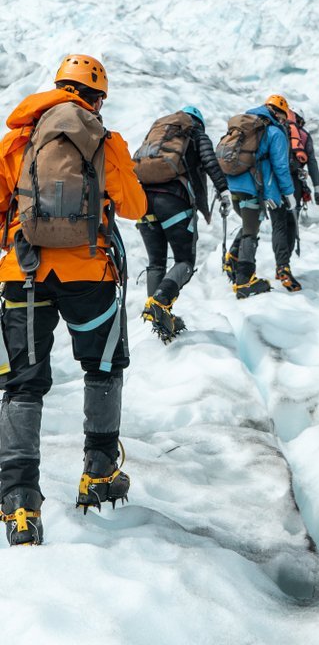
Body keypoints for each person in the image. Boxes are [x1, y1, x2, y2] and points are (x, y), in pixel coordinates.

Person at [0, 54, 147, 545]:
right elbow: (135, 205)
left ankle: (19, 502)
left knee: (22, 386)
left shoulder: (19, 140)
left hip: (23, 274)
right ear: (97, 97)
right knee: (102, 368)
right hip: (91, 273)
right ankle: (100, 472)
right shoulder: (107, 142)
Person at [136, 106, 231, 341]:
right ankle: (160, 302)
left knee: (156, 262)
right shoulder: (196, 134)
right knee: (184, 261)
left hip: (143, 201)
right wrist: (223, 190)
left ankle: (159, 318)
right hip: (174, 202)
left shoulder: (158, 134)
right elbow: (210, 162)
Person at [222, 95, 295, 299]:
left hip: (232, 185)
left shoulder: (244, 127)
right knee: (251, 233)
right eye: (283, 117)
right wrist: (288, 194)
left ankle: (233, 257)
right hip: (253, 189)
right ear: (278, 114)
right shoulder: (274, 132)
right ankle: (245, 281)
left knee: (250, 224)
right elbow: (279, 168)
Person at [270, 108, 319, 291]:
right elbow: (312, 162)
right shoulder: (303, 135)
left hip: (275, 184)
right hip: (296, 184)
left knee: (278, 225)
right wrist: (316, 188)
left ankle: (281, 266)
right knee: (291, 224)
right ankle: (284, 266)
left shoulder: (274, 131)